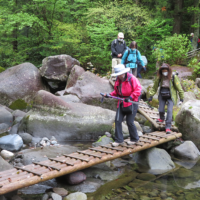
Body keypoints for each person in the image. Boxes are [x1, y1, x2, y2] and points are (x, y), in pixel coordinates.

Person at [104, 64, 142, 147]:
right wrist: (109, 95)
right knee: (117, 121)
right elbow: (116, 92)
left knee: (130, 122)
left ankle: (134, 139)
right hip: (121, 102)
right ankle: (119, 140)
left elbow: (138, 90)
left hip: (131, 102)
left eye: (120, 74)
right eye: (118, 74)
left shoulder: (132, 79)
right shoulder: (118, 80)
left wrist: (130, 97)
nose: (120, 75)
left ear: (124, 72)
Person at [148, 63, 184, 134]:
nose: (164, 72)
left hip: (171, 95)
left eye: (166, 71)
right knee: (161, 109)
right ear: (161, 71)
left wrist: (181, 98)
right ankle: (161, 118)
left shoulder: (173, 77)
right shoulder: (160, 77)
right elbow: (155, 87)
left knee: (169, 111)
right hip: (162, 94)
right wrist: (151, 96)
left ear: (168, 70)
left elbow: (179, 88)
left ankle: (168, 127)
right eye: (163, 71)